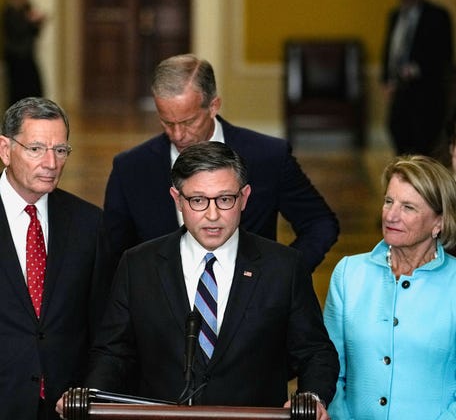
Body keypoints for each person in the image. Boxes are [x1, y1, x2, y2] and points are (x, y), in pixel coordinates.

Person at [58, 141, 339, 419]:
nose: (213, 214)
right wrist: (90, 400)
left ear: (245, 197)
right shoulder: (138, 264)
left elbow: (315, 352)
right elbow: (113, 352)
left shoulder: (284, 267)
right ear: (177, 199)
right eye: (198, 200)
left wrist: (311, 398)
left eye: (225, 199)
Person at [103, 54, 339, 274]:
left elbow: (319, 223)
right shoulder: (131, 168)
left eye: (188, 122)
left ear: (214, 106)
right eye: (167, 122)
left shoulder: (268, 156)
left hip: (250, 312)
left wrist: (280, 277)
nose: (177, 134)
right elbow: (113, 255)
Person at [0, 97, 109, 419]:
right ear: (6, 149)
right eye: (36, 149)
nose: (51, 162)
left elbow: (104, 327)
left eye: (60, 150)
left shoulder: (90, 224)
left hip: (65, 407)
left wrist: (88, 392)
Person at [324, 155, 456, 419]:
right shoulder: (349, 273)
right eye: (388, 201)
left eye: (408, 207)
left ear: (438, 222)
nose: (392, 215)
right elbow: (329, 369)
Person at [380, 0, 453, 156]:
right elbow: (390, 48)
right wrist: (387, 78)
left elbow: (443, 53)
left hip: (427, 88)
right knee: (397, 129)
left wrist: (415, 69)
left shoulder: (437, 15)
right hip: (400, 87)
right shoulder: (395, 15)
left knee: (425, 138)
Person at [2, 0, 46, 107]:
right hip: (15, 56)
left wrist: (38, 22)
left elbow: (34, 32)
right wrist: (30, 21)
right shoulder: (8, 8)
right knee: (17, 94)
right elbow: (15, 31)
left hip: (28, 55)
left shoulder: (26, 5)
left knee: (35, 90)